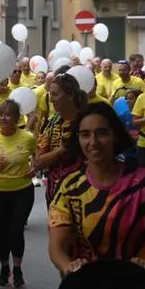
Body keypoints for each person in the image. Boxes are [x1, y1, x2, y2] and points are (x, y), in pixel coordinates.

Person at [49, 102, 145, 275]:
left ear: (115, 136)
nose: (93, 142)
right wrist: (68, 266)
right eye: (85, 135)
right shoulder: (68, 188)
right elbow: (56, 247)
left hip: (136, 287)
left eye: (101, 133)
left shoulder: (144, 182)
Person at [0, 100, 37, 287]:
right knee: (3, 231)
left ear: (17, 118)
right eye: (0, 115)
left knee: (16, 229)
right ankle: (5, 267)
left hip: (22, 191)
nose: (3, 118)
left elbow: (37, 158)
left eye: (8, 115)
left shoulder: (27, 137)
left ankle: (18, 269)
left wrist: (34, 169)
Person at [37, 72, 86, 207]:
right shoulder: (52, 122)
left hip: (85, 193)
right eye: (50, 94)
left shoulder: (88, 120)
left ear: (70, 95)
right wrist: (61, 151)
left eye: (55, 94)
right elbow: (39, 162)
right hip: (56, 192)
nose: (51, 100)